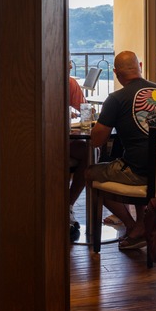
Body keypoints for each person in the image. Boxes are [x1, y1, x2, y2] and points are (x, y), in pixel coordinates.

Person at [86, 50, 156, 250]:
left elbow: (97, 140)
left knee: (90, 174)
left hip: (139, 173)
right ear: (141, 67)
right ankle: (142, 225)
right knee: (132, 159)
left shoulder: (116, 98)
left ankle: (133, 226)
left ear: (116, 73)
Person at [68, 60, 89, 239]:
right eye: (67, 61)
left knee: (88, 153)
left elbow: (84, 109)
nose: (71, 66)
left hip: (62, 141)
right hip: (42, 143)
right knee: (88, 154)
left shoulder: (70, 83)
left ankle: (67, 204)